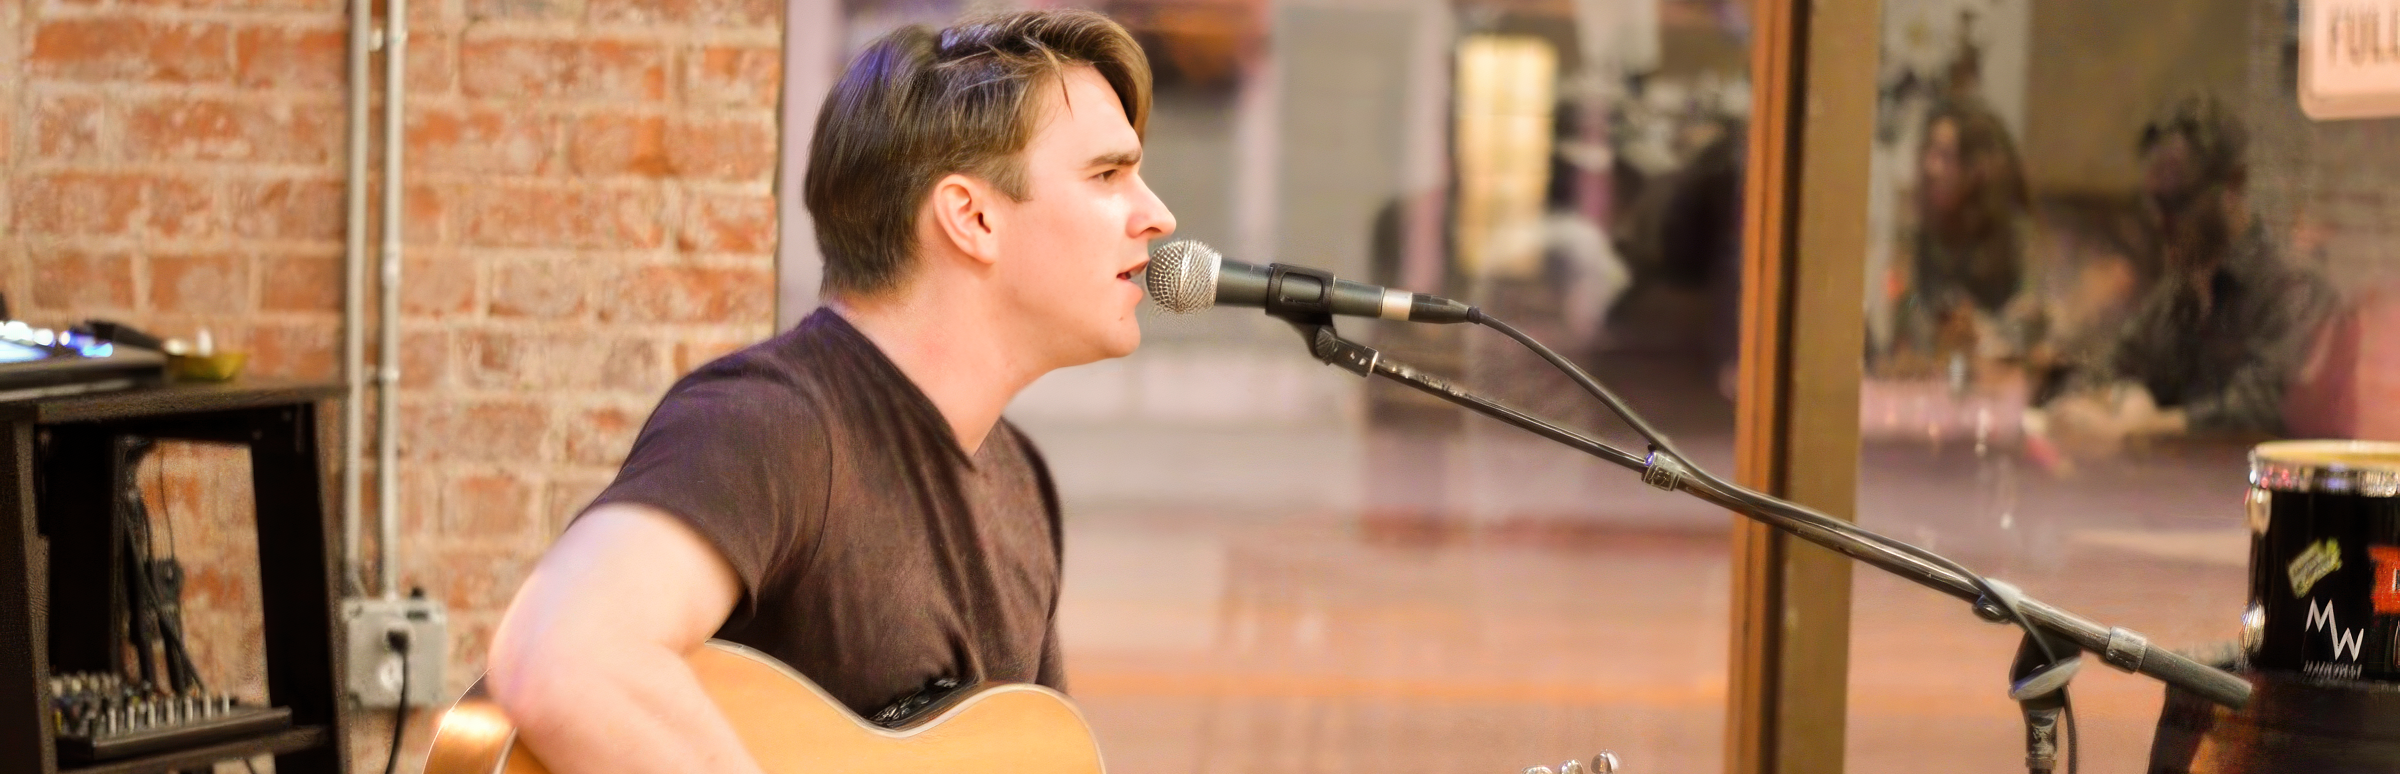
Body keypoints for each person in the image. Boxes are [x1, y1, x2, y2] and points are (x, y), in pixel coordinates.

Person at [479, 10, 1175, 773]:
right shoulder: (770, 426)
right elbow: (563, 656)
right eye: (1107, 175)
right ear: (972, 218)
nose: (1159, 216)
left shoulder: (1018, 480)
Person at [2040, 95, 2332, 445]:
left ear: (2234, 184)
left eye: (2177, 202)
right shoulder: (2176, 295)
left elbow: (2263, 411)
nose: (2161, 223)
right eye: (2153, 203)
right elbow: (2114, 368)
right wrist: (2120, 397)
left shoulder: (2293, 285)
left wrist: (2134, 433)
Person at [1886, 98, 2033, 370]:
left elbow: (2034, 323)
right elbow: (1906, 327)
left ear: (1979, 167)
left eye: (1946, 156)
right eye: (1929, 151)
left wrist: (1983, 332)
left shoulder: (2017, 240)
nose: (1931, 167)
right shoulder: (1920, 239)